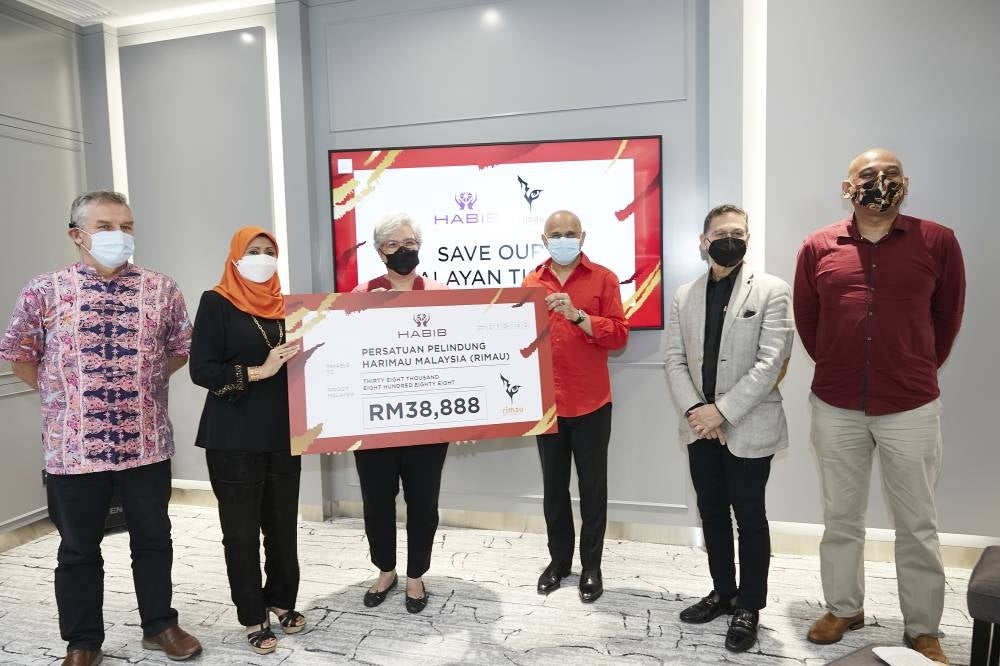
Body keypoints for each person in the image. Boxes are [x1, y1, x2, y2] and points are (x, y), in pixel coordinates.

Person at [0, 190, 202, 666]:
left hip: (146, 443)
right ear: (77, 235)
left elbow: (179, 349)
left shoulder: (162, 289)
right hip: (73, 449)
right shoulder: (44, 290)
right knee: (77, 550)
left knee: (154, 540)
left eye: (126, 226)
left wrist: (141, 382)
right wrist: (65, 395)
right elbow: (20, 356)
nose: (119, 235)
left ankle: (160, 625)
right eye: (106, 227)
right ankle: (83, 641)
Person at [794, 148, 965, 664]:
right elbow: (809, 320)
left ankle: (923, 629)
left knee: (917, 524)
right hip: (836, 403)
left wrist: (913, 365)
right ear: (848, 187)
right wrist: (840, 362)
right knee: (840, 516)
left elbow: (947, 317)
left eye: (891, 174)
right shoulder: (818, 246)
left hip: (910, 405)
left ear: (906, 184)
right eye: (868, 175)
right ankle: (844, 608)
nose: (880, 181)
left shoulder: (938, 241)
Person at [664, 204, 793, 652]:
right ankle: (723, 592)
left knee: (750, 519)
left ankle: (749, 605)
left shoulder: (773, 290)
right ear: (704, 242)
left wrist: (721, 412)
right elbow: (674, 359)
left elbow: (771, 362)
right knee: (712, 513)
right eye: (721, 234)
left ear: (748, 239)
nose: (730, 240)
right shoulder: (685, 295)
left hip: (748, 425)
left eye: (738, 232)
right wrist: (698, 412)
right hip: (698, 427)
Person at [189, 226, 305, 654]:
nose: (262, 258)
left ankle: (281, 600)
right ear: (236, 257)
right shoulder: (216, 301)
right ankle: (252, 614)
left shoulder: (289, 307)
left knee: (282, 526)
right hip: (233, 436)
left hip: (283, 432)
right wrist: (261, 370)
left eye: (269, 251)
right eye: (253, 251)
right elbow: (201, 370)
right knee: (240, 533)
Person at [522, 209, 629, 603]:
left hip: (591, 403)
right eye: (556, 234)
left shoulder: (604, 278)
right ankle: (559, 562)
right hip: (548, 404)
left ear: (582, 238)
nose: (563, 239)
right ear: (544, 239)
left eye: (570, 233)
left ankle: (591, 567)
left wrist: (579, 316)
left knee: (592, 489)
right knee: (554, 489)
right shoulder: (531, 281)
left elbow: (619, 336)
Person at [351, 212, 449, 614]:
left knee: (423, 502)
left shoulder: (441, 294)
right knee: (377, 502)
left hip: (427, 423)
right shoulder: (359, 296)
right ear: (380, 252)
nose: (403, 250)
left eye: (409, 243)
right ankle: (386, 570)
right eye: (393, 244)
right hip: (375, 422)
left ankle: (415, 576)